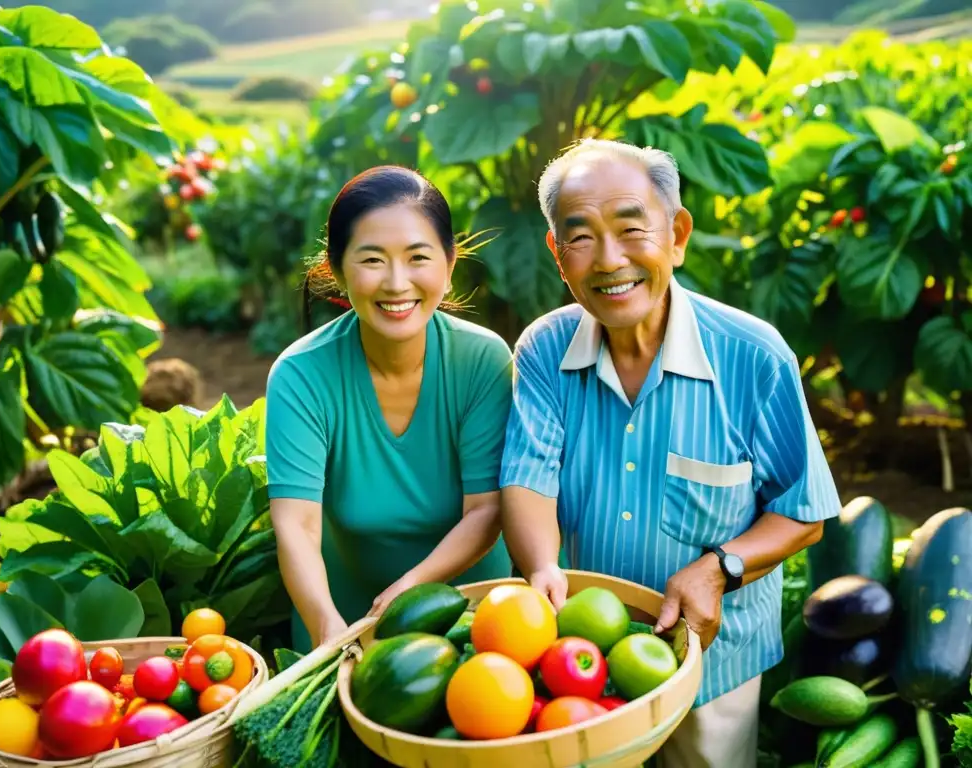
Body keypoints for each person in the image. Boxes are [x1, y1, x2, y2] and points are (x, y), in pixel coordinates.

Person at [498, 139, 841, 767]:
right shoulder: (545, 349)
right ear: (557, 255)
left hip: (715, 660)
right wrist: (542, 568)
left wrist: (720, 567)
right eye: (580, 237)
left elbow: (803, 512)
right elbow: (529, 477)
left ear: (677, 234)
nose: (610, 259)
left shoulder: (753, 356)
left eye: (632, 228)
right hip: (582, 660)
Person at [265, 165, 514, 652]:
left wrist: (408, 590)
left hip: (476, 619)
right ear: (335, 270)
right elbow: (296, 524)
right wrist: (327, 630)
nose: (397, 283)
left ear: (448, 260)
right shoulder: (301, 375)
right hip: (341, 619)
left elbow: (486, 511)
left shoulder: (483, 361)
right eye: (372, 260)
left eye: (417, 257)